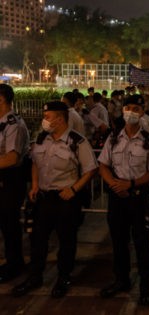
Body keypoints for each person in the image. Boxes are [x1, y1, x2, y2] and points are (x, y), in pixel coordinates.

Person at [12, 101, 97, 298]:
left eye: (47, 117)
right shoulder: (42, 139)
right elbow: (35, 162)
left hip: (65, 199)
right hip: (44, 198)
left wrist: (74, 189)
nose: (45, 120)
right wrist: (34, 184)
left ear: (59, 119)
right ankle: (35, 277)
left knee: (66, 241)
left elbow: (90, 169)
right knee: (38, 240)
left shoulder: (77, 141)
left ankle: (63, 278)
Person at [97, 94, 149, 305]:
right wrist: (114, 184)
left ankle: (146, 286)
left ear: (142, 112)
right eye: (128, 108)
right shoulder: (113, 137)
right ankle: (121, 280)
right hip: (117, 197)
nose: (130, 112)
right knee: (118, 241)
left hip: (138, 197)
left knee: (142, 243)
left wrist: (131, 184)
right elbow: (103, 165)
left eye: (135, 108)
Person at [0, 84, 29, 283]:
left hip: (9, 180)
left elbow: (11, 158)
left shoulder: (13, 125)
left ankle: (14, 264)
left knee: (9, 224)